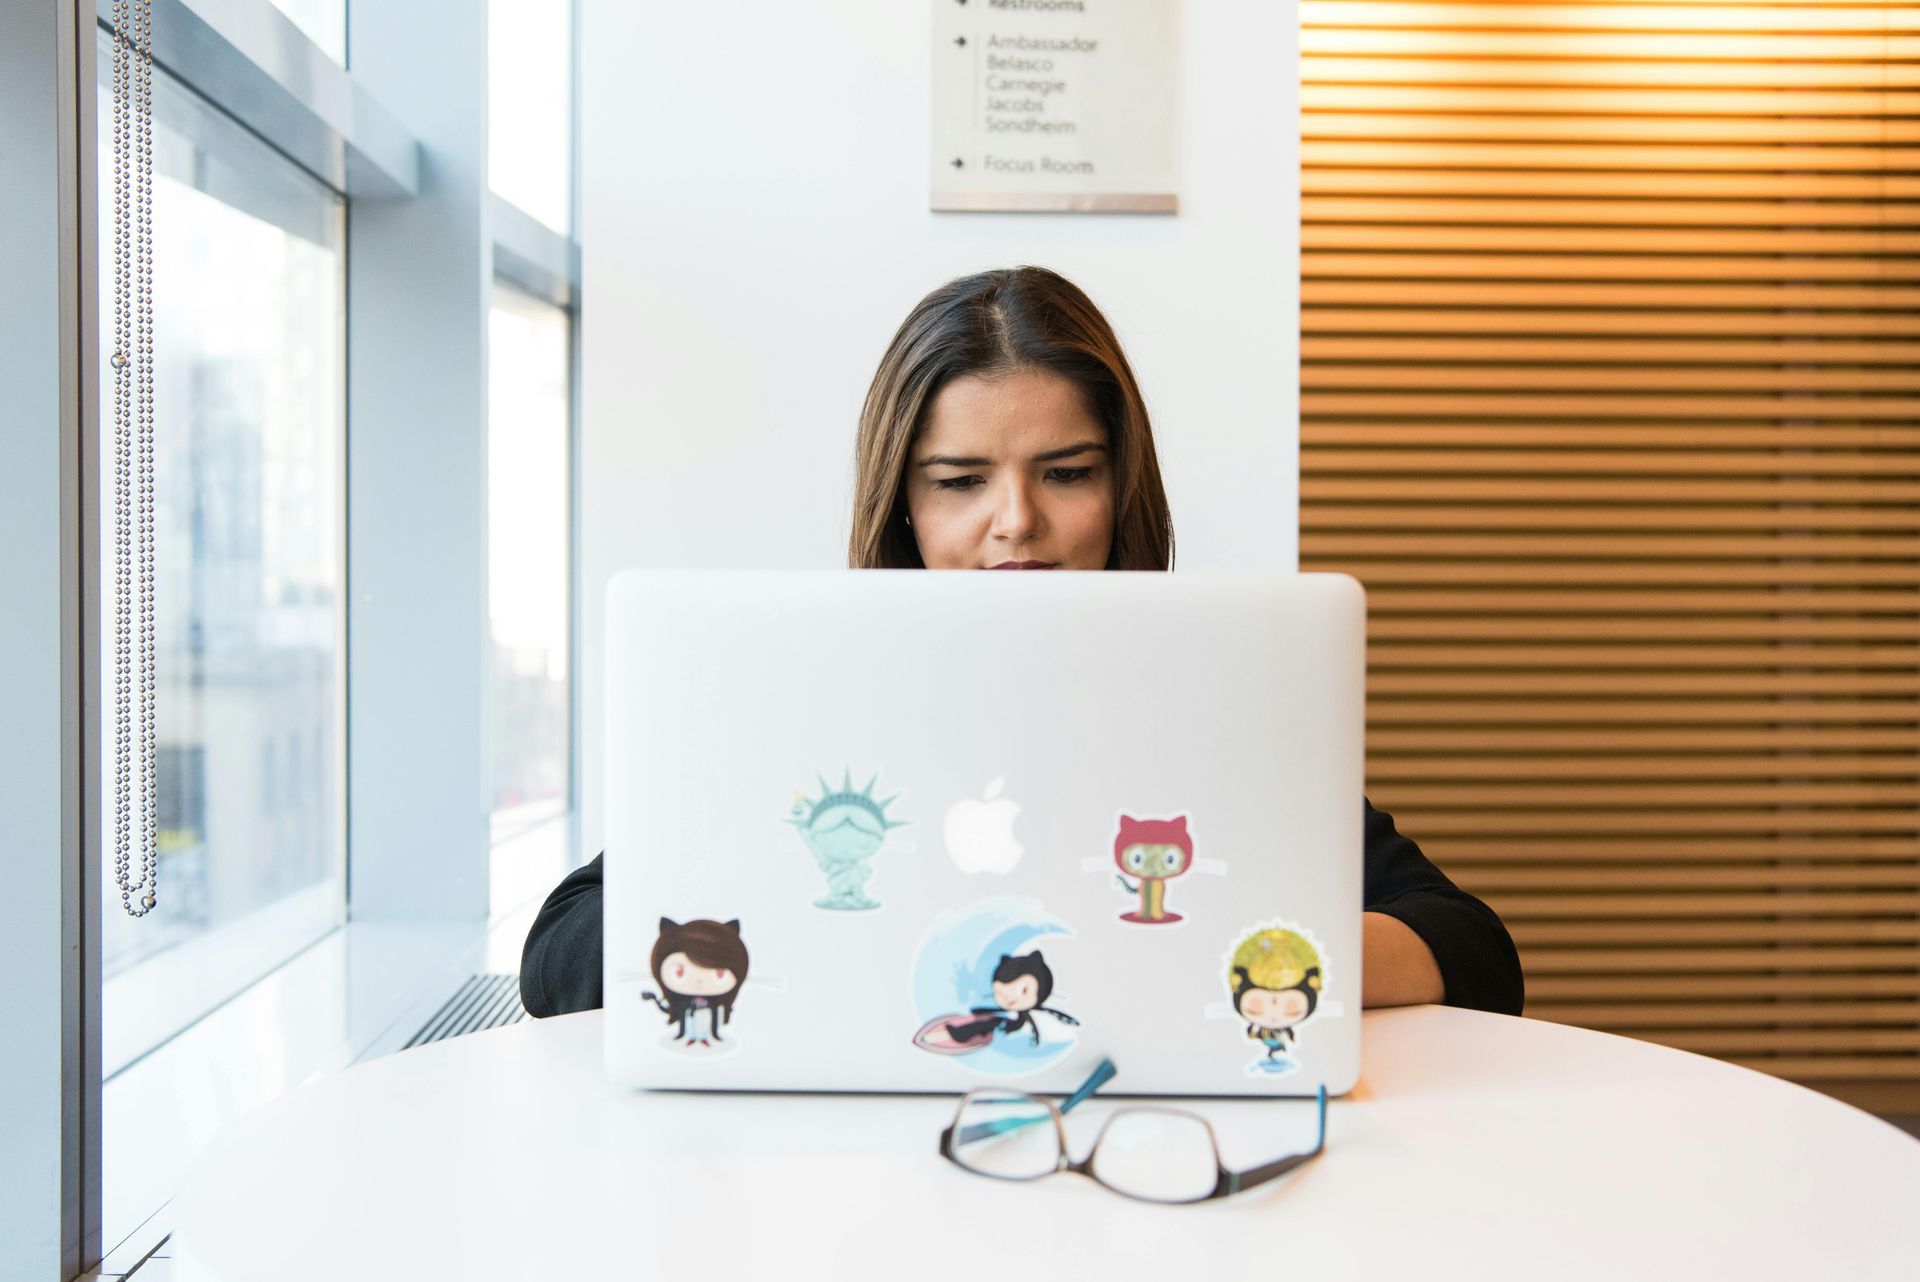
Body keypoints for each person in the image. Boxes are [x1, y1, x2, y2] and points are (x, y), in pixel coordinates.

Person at [521, 266, 1524, 1020]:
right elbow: (561, 947)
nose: (1016, 522)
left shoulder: (1209, 688)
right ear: (903, 504)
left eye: (1067, 471)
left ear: (1120, 486)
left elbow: (1473, 951)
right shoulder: (818, 690)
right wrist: (827, 950)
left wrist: (1204, 959)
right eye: (960, 481)